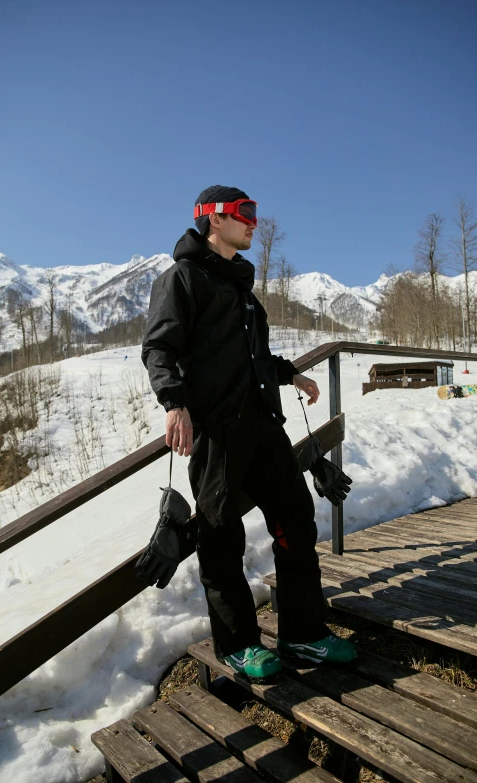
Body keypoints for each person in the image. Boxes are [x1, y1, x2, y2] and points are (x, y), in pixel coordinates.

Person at [142, 185, 357, 680]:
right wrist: (174, 403)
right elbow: (159, 349)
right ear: (213, 220)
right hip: (216, 434)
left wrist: (290, 372)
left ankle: (304, 635)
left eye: (254, 214)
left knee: (296, 524)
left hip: (264, 426)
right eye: (245, 214)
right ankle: (238, 644)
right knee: (220, 538)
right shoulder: (183, 279)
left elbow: (248, 356)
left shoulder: (239, 286)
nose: (254, 223)